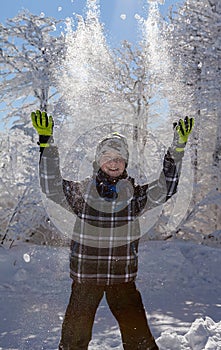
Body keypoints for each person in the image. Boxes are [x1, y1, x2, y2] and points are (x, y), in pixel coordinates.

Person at [31, 111, 194, 350]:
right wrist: (47, 144)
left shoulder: (135, 195)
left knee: (139, 342)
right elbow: (50, 185)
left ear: (126, 162)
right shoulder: (82, 192)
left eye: (119, 157)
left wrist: (177, 150)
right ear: (98, 161)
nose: (114, 162)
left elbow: (166, 188)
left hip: (122, 281)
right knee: (73, 341)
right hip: (86, 280)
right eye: (108, 156)